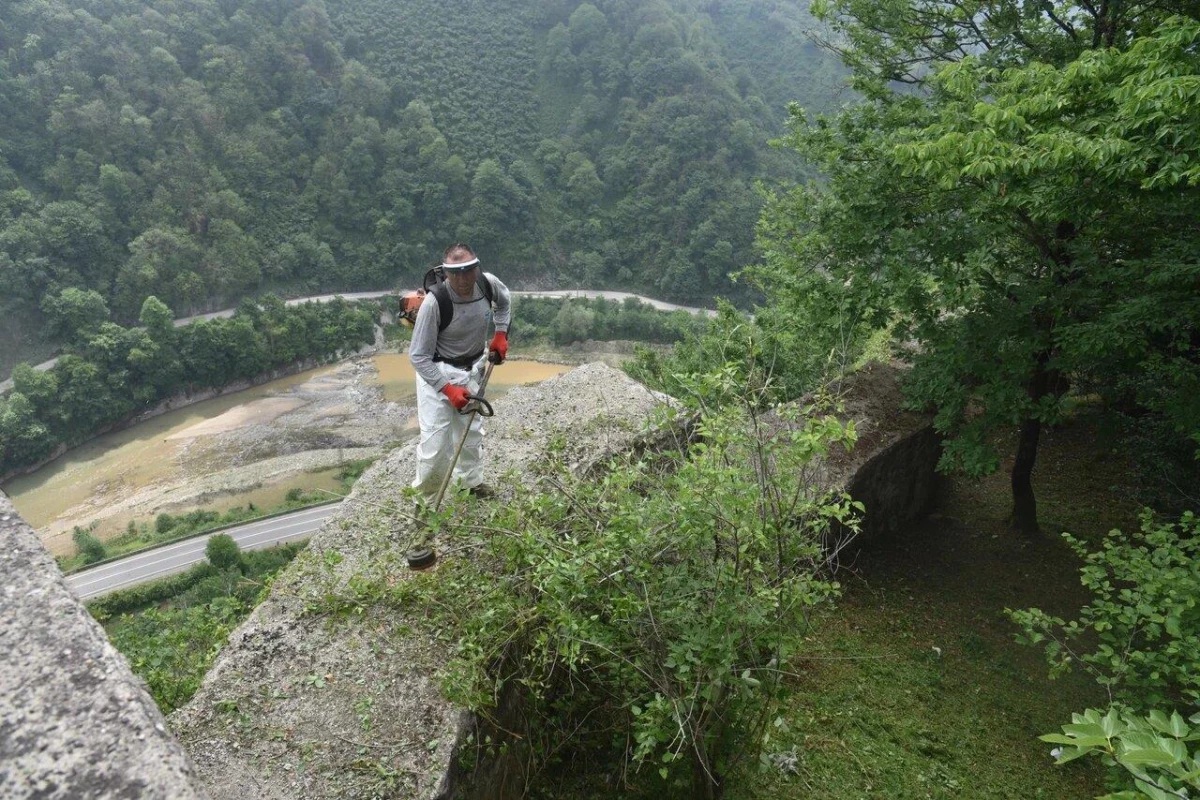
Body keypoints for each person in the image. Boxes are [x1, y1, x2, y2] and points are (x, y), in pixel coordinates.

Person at [409, 243, 510, 498]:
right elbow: (418, 357)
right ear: (446, 273)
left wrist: (500, 334)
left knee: (471, 435)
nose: (463, 278)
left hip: (473, 368)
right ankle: (426, 501)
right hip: (437, 374)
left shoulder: (487, 284)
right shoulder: (435, 303)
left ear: (477, 268)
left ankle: (471, 484)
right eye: (456, 272)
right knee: (435, 446)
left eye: (468, 270)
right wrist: (447, 388)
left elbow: (505, 303)